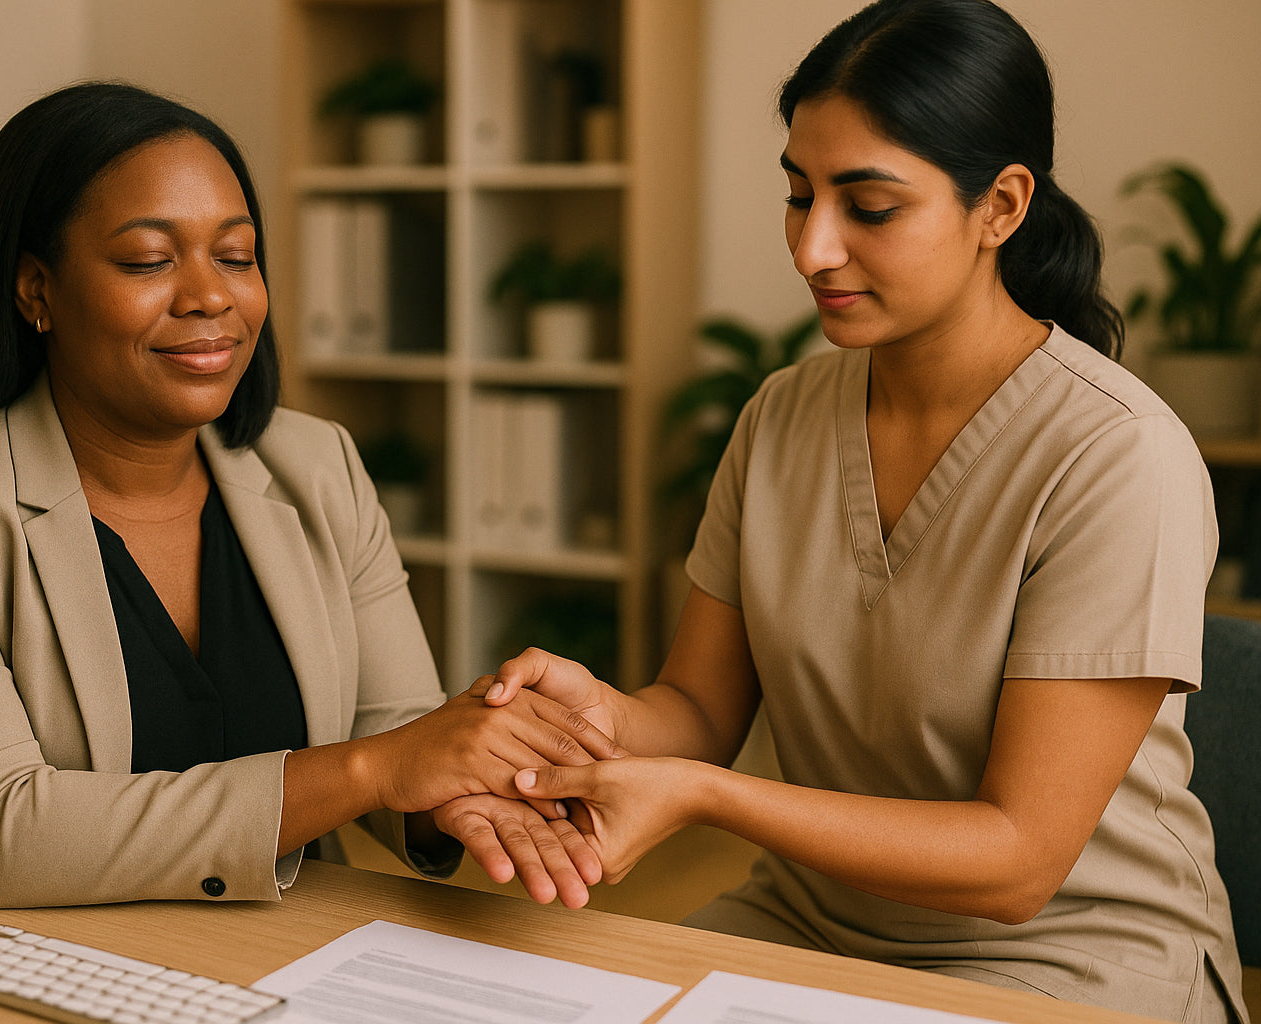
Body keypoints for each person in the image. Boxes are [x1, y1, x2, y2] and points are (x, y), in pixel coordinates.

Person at [482, 2, 1249, 1020]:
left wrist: (709, 797)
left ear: (1003, 206)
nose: (814, 250)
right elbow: (703, 712)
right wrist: (608, 721)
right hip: (810, 922)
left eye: (869, 207)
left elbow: (1019, 862)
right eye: (799, 197)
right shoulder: (782, 418)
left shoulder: (1117, 456)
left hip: (1067, 955)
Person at [0, 81, 611, 911]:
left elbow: (395, 725)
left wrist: (471, 788)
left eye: (238, 257)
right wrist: (374, 769)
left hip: (280, 955)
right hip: (48, 963)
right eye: (149, 260)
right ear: (36, 289)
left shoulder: (316, 463)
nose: (211, 297)